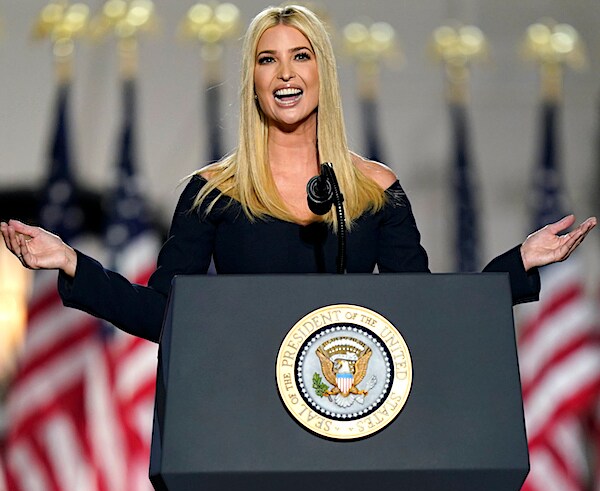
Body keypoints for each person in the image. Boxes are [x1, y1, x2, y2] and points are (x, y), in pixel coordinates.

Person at [1, 5, 596, 344]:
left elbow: (422, 307)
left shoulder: (373, 190)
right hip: (240, 417)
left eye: (300, 55)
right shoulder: (213, 194)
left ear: (322, 73)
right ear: (254, 80)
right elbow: (164, 315)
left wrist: (518, 264)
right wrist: (71, 262)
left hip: (349, 415)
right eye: (268, 59)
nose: (284, 73)